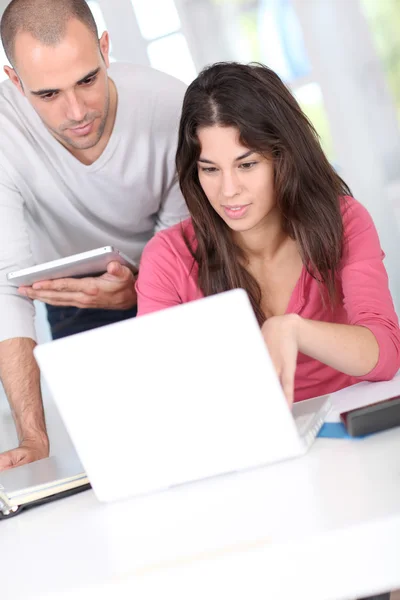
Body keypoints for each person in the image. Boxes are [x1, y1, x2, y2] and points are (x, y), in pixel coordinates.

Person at [136, 61, 400, 405]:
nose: (228, 190)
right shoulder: (169, 257)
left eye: (247, 164)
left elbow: (386, 353)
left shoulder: (344, 220)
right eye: (210, 169)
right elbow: (159, 387)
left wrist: (294, 329)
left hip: (352, 423)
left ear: (283, 158)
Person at [0, 0, 188, 471]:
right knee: (122, 461)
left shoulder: (171, 108)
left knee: (196, 436)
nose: (77, 111)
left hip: (174, 282)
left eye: (87, 79)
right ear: (15, 81)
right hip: (72, 294)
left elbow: (186, 251)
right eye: (47, 94)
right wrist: (33, 440)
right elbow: (6, 287)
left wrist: (140, 288)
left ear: (105, 49)